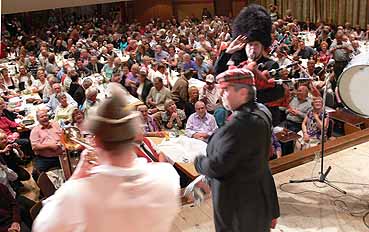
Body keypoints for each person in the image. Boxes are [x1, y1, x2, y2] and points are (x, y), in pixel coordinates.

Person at [33, 84, 180, 232]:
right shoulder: (167, 175)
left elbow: (42, 228)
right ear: (135, 135)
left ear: (95, 141)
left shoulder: (76, 194)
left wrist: (76, 177)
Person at [194, 68, 280, 232]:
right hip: (256, 199)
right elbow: (261, 166)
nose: (222, 94)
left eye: (226, 90)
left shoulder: (240, 124)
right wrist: (273, 208)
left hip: (238, 207)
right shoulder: (261, 110)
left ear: (242, 92)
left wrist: (199, 162)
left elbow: (218, 166)